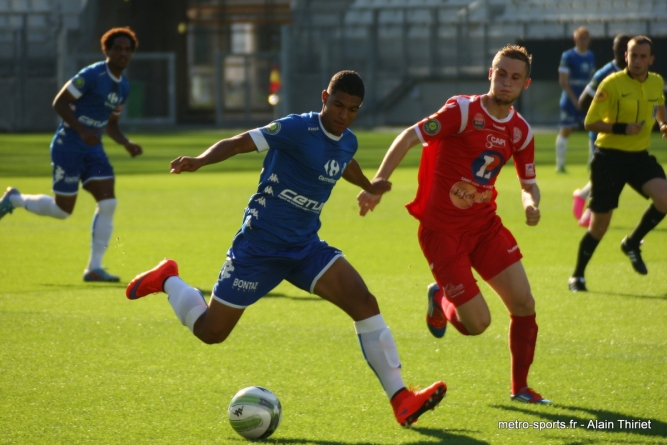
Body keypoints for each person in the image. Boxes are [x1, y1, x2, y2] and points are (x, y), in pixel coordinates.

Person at [124, 71, 446, 427]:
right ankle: (168, 279)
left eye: (352, 110)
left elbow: (344, 164)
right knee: (211, 332)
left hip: (305, 247)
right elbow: (237, 142)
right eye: (338, 105)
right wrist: (199, 160)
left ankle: (401, 398)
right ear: (324, 97)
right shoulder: (295, 129)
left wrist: (370, 185)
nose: (343, 115)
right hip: (259, 245)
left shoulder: (347, 140)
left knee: (364, 303)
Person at [357, 46, 550, 404]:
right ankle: (441, 296)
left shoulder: (521, 132)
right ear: (489, 74)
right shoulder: (462, 112)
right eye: (501, 73)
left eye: (515, 77)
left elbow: (528, 182)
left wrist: (530, 203)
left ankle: (521, 389)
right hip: (442, 232)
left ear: (525, 84)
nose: (506, 82)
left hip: (484, 227)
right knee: (478, 324)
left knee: (524, 302)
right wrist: (378, 181)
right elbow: (409, 136)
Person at [0, 27, 143, 282]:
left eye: (127, 49)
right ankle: (16, 199)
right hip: (68, 145)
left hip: (93, 150)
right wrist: (81, 129)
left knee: (108, 202)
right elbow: (60, 102)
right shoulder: (91, 75)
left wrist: (126, 143)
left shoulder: (124, 88)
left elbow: (111, 124)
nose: (123, 53)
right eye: (118, 48)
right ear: (106, 50)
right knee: (63, 210)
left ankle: (94, 268)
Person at [568, 36, 667, 292]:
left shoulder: (656, 82)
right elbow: (589, 123)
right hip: (609, 158)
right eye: (633, 55)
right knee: (599, 226)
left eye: (643, 56)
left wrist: (663, 124)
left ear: (651, 60)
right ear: (626, 57)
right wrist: (621, 128)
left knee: (665, 199)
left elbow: (659, 105)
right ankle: (577, 276)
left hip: (639, 157)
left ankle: (632, 243)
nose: (637, 60)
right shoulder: (611, 83)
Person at [573, 34, 631, 228]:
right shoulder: (604, 73)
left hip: (622, 133)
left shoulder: (634, 73)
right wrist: (605, 113)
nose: (619, 50)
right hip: (601, 134)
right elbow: (583, 102)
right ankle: (588, 214)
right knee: (607, 175)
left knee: (611, 175)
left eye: (623, 46)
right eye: (617, 46)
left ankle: (584, 203)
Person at [556, 26, 595, 173]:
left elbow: (592, 79)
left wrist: (589, 98)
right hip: (570, 100)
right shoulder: (568, 56)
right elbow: (563, 81)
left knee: (593, 128)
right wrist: (574, 100)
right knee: (566, 129)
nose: (584, 41)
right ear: (575, 39)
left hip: (586, 99)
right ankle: (560, 165)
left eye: (586, 38)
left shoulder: (591, 55)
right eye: (581, 38)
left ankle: (592, 163)